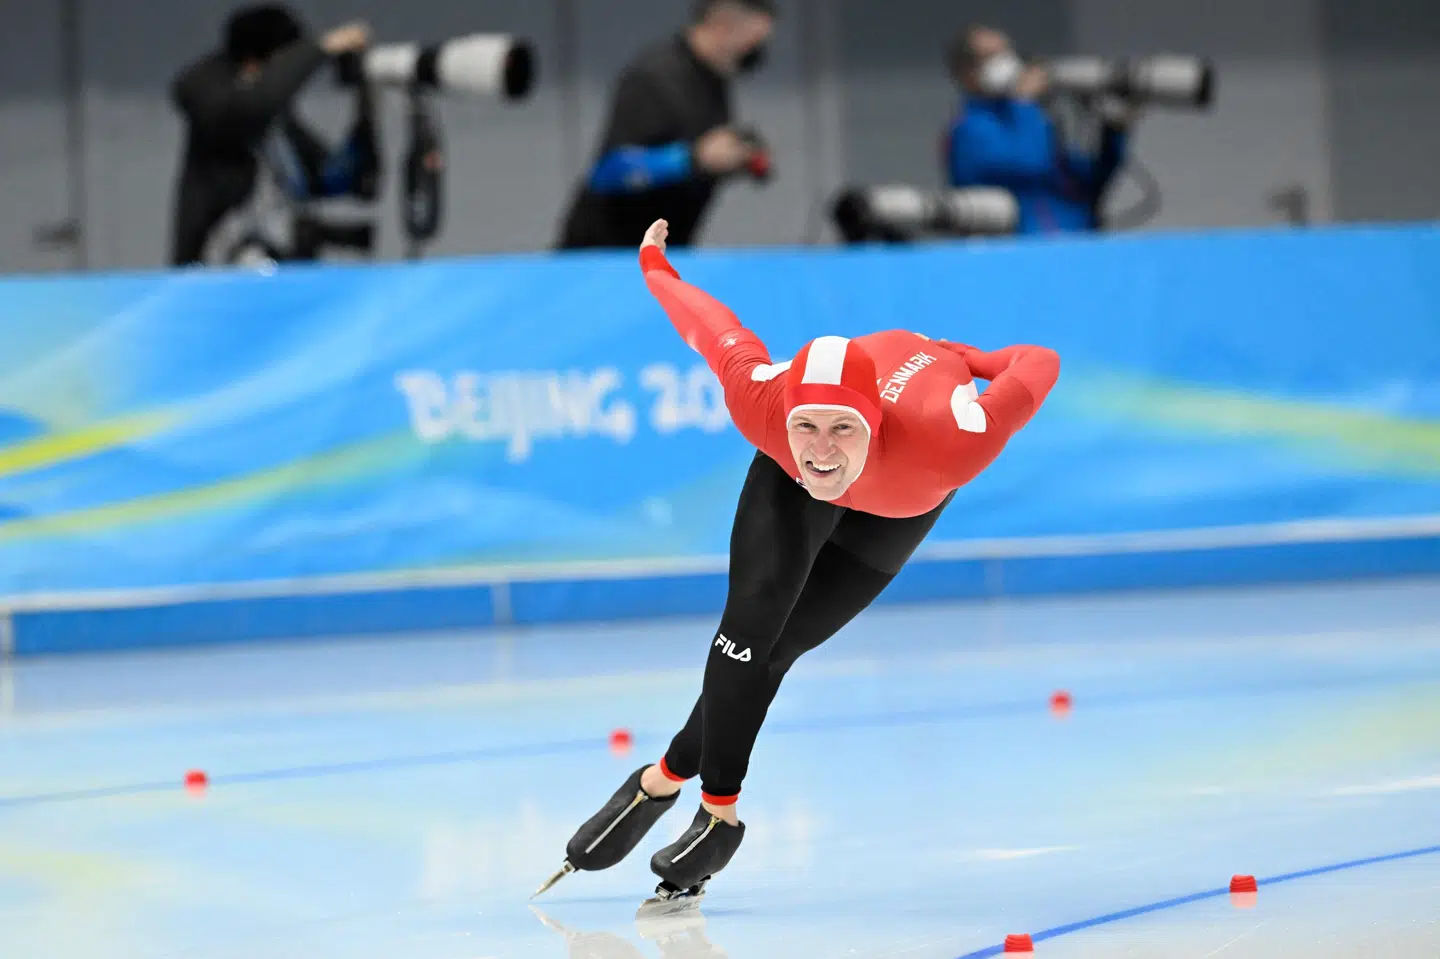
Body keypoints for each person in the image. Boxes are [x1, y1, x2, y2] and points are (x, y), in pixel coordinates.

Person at [534, 218, 1060, 905]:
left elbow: (1038, 360)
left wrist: (971, 357)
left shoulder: (950, 439)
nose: (821, 450)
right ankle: (718, 813)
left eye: (843, 428)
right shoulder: (764, 404)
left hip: (901, 495)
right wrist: (656, 266)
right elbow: (708, 326)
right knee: (750, 627)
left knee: (780, 648)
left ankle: (661, 777)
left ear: (874, 421)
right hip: (801, 480)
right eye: (806, 425)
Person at [555, 0, 776, 251]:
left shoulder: (714, 80)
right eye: (754, 40)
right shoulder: (656, 78)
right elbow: (609, 171)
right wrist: (694, 158)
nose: (758, 50)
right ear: (722, 26)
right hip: (606, 255)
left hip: (663, 250)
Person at [169, 4, 377, 265]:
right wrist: (321, 48)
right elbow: (255, 106)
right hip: (217, 275)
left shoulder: (277, 127)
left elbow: (333, 179)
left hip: (280, 270)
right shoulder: (211, 100)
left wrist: (366, 106)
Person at [944, 24, 1133, 235]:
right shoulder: (968, 129)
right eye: (991, 56)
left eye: (1007, 52)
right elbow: (1031, 162)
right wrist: (1024, 103)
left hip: (1076, 244)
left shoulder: (1027, 116)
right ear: (965, 73)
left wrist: (1114, 129)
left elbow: (1085, 182)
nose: (1007, 61)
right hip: (1021, 252)